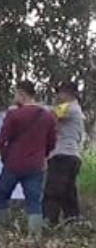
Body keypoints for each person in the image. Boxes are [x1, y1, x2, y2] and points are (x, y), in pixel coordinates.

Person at [0, 80, 57, 237]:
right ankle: (35, 237)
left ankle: (4, 232)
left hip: (13, 164)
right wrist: (43, 156)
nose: (14, 97)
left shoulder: (14, 115)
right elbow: (52, 141)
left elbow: (2, 139)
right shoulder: (48, 116)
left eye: (16, 94)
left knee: (1, 195)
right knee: (34, 201)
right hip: (36, 165)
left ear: (22, 95)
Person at [44, 81, 86, 226]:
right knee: (68, 193)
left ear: (68, 94)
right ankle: (73, 221)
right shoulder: (75, 110)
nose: (58, 96)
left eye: (60, 92)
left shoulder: (70, 107)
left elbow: (50, 114)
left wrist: (30, 107)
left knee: (53, 190)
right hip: (72, 156)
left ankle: (49, 221)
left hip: (63, 155)